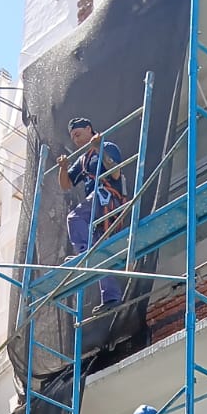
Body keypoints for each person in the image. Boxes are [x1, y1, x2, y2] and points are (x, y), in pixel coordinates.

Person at [57, 116, 125, 308]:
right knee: (97, 251)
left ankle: (84, 254)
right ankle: (111, 297)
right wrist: (63, 168)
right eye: (73, 137)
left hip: (106, 199)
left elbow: (116, 173)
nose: (75, 140)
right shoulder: (83, 160)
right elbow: (66, 185)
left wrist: (100, 149)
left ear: (89, 129)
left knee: (74, 218)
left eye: (78, 134)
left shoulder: (108, 146)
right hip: (96, 208)